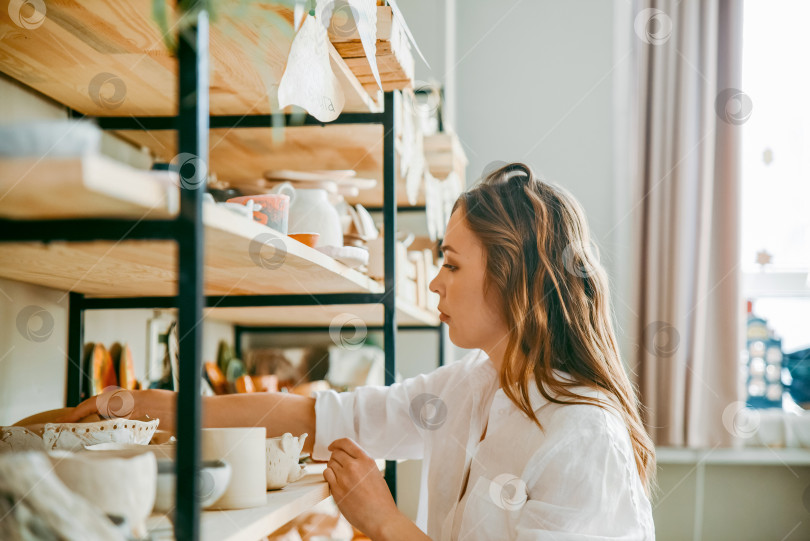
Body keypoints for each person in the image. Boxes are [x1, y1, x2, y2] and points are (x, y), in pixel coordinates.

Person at [64, 162, 656, 540]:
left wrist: (383, 522)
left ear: (512, 278)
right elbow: (317, 418)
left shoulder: (583, 435)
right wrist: (143, 405)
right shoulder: (475, 384)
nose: (434, 282)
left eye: (451, 264)